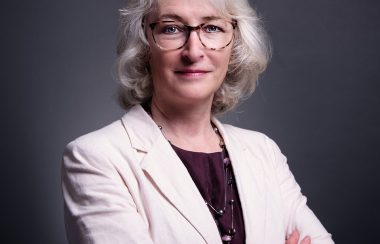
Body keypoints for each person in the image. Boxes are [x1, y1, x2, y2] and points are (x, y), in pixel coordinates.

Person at [61, 0, 334, 243]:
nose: (194, 51)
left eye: (212, 28)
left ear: (235, 43)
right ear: (145, 44)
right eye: (171, 28)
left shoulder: (264, 152)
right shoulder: (95, 157)